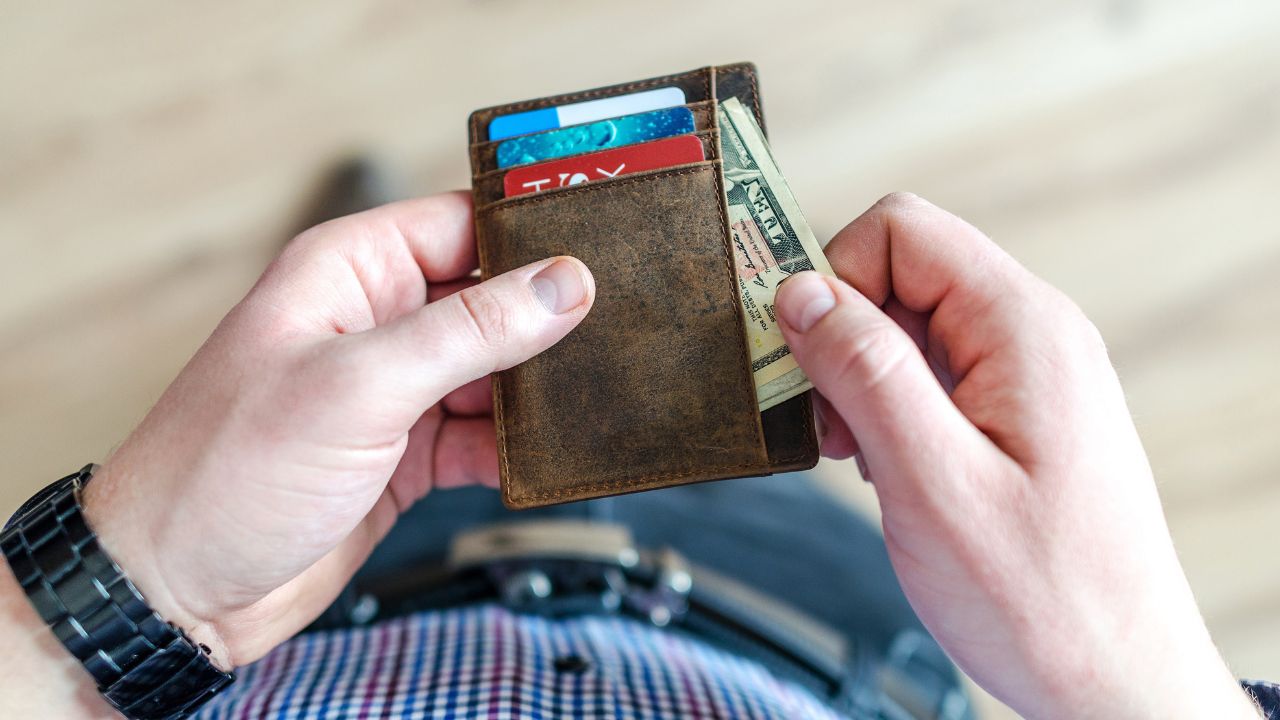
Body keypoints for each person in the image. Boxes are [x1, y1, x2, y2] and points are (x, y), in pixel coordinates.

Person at [0, 191, 1273, 719]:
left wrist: (122, 599)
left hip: (306, 595)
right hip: (821, 620)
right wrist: (1135, 680)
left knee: (473, 379)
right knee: (672, 402)